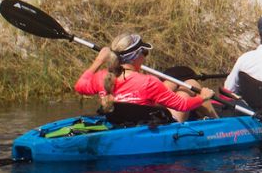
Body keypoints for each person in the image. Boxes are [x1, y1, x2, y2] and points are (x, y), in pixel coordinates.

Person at [75, 33, 218, 123]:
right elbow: (183, 105)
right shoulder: (148, 82)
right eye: (144, 52)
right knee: (190, 84)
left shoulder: (101, 77)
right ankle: (221, 126)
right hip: (151, 125)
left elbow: (80, 86)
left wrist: (99, 61)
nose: (145, 57)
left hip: (120, 121)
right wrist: (203, 97)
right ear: (137, 56)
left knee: (175, 83)